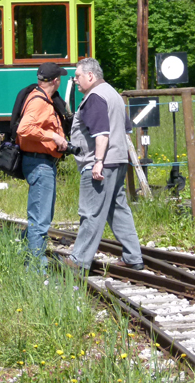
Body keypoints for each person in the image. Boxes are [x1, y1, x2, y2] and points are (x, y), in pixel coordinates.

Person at [62, 58, 144, 272]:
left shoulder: (95, 97)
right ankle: (133, 256)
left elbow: (101, 133)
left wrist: (98, 161)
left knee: (91, 212)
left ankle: (78, 260)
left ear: (90, 75)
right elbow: (125, 128)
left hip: (100, 163)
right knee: (118, 209)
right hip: (117, 160)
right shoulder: (113, 94)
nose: (76, 81)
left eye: (78, 76)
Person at [16, 62, 69, 269]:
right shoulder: (39, 101)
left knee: (41, 215)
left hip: (41, 162)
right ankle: (35, 267)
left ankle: (26, 252)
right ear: (56, 81)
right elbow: (24, 128)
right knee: (40, 218)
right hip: (39, 163)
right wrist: (53, 136)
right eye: (60, 78)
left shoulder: (42, 98)